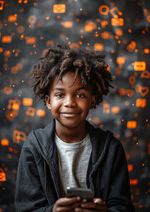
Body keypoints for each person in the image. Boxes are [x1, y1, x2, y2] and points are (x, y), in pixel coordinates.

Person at [15, 44, 135, 212]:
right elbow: (25, 208)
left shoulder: (111, 149)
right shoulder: (33, 148)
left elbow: (123, 207)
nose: (69, 103)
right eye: (59, 95)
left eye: (80, 95)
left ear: (92, 101)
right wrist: (53, 211)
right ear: (48, 101)